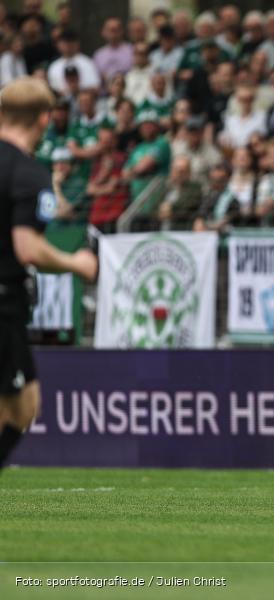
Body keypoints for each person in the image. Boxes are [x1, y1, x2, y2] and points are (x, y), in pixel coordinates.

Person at [0, 77, 98, 472]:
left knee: (20, 404)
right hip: (3, 302)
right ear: (44, 119)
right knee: (21, 408)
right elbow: (28, 247)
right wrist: (77, 263)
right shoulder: (28, 173)